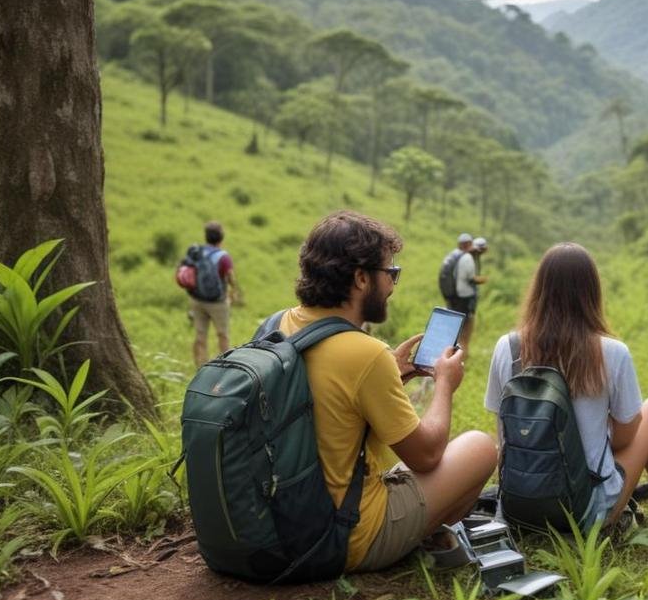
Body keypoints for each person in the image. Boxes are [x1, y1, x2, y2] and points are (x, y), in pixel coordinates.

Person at [273, 211, 497, 573]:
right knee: (481, 447)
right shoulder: (364, 352)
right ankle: (419, 540)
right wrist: (444, 385)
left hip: (282, 519)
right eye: (390, 274)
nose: (393, 285)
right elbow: (426, 454)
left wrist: (391, 375)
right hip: (345, 535)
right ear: (362, 278)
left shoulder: (278, 325)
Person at [484, 243, 648, 540]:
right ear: (591, 292)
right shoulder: (611, 352)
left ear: (539, 290)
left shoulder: (507, 347)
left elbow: (504, 435)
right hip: (586, 511)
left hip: (517, 507)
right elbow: (624, 438)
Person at [190, 221, 243, 367]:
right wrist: (234, 292)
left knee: (200, 336)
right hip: (218, 303)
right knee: (222, 334)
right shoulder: (223, 257)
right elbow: (230, 277)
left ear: (206, 237)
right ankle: (223, 367)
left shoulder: (198, 252)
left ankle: (200, 367)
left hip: (198, 301)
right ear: (221, 238)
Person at [453, 234, 488, 348]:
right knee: (465, 323)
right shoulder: (468, 258)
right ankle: (461, 347)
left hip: (460, 293)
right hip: (465, 295)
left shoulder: (465, 257)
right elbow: (471, 278)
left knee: (461, 320)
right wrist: (482, 280)